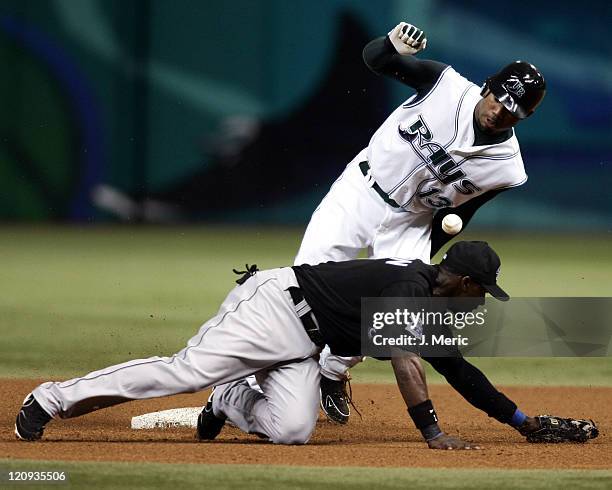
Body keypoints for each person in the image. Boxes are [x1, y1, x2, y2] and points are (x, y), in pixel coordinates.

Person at [17, 241, 593, 449]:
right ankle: (52, 399)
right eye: (483, 291)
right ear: (463, 282)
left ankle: (229, 401)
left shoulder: (431, 300)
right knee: (182, 372)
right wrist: (432, 433)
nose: (483, 301)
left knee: (292, 430)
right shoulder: (407, 286)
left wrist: (520, 421)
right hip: (274, 308)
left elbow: (458, 370)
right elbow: (405, 362)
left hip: (305, 341)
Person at [298, 21, 547, 424]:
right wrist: (389, 45)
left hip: (412, 222)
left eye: (513, 110)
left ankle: (332, 371)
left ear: (527, 116)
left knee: (397, 315)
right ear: (488, 86)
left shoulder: (507, 168)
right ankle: (254, 384)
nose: (499, 110)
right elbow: (376, 59)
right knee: (306, 284)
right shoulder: (444, 85)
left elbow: (463, 213)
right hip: (359, 191)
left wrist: (418, 261)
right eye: (498, 98)